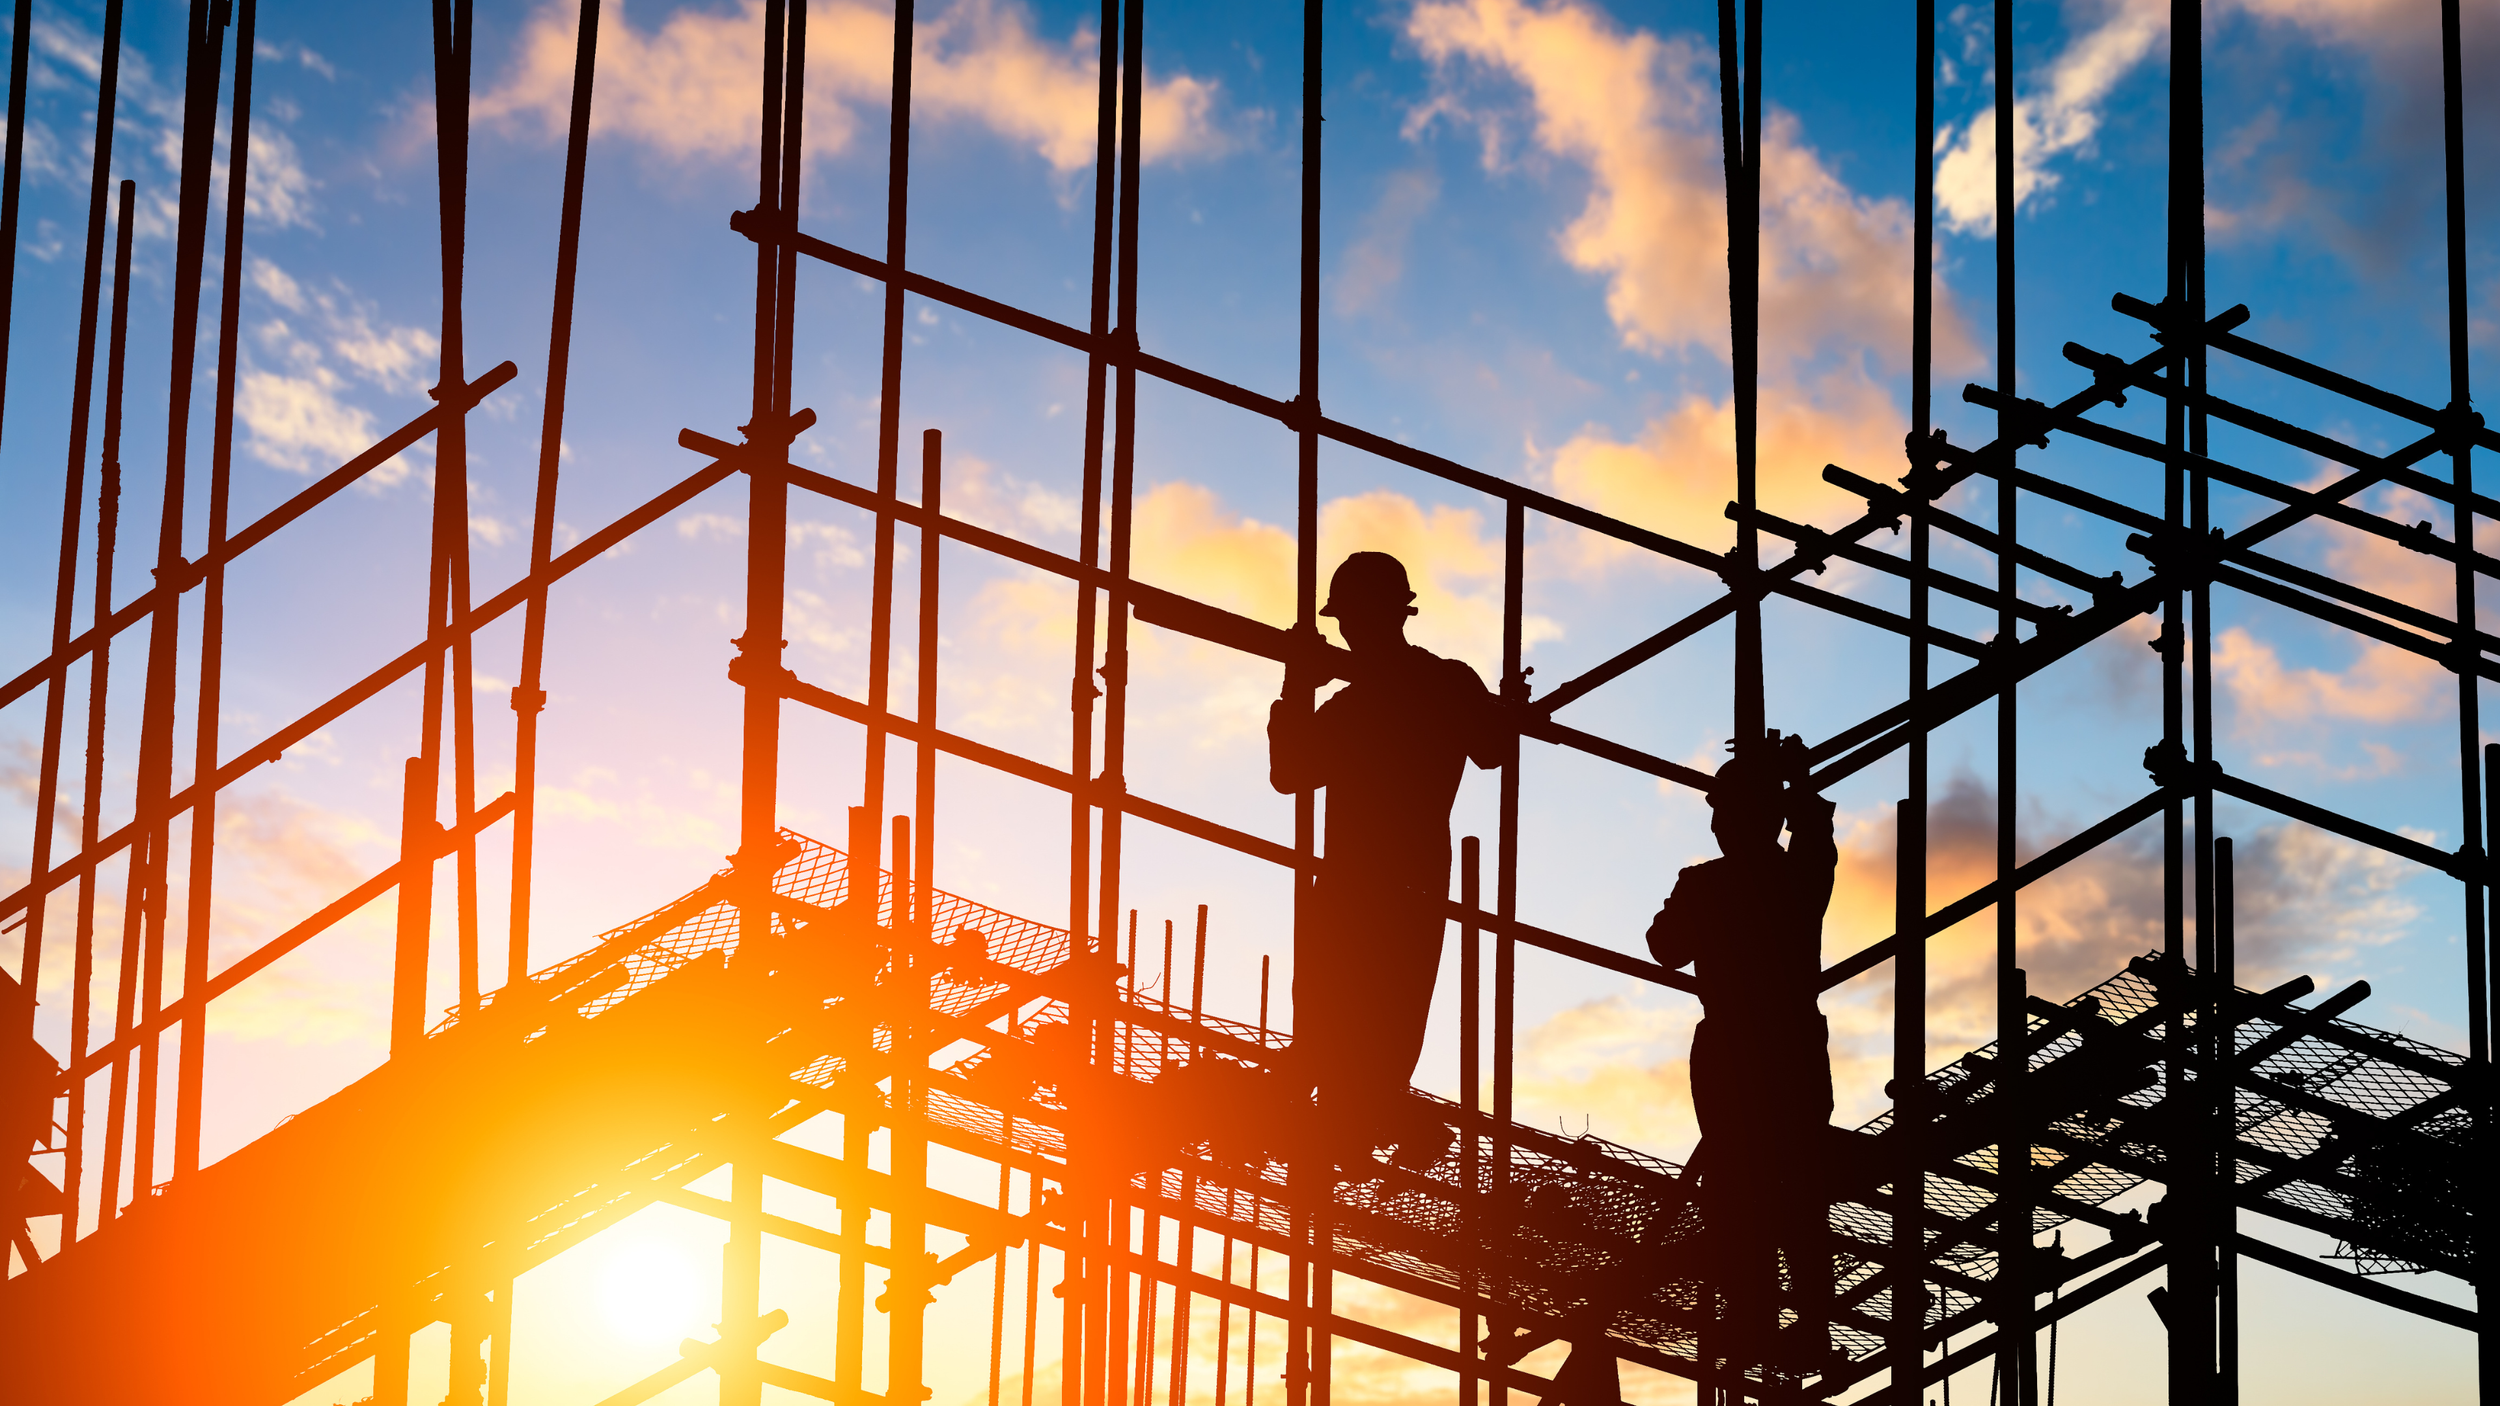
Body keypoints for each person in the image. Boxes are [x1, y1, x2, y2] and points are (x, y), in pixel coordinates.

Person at [1269, 552, 1511, 1167]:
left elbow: (1288, 770)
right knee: (1380, 1012)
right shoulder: (1443, 683)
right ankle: (1358, 1119)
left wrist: (1297, 684)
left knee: (1345, 1012)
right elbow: (1492, 748)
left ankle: (1347, 1125)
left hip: (1361, 881)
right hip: (1409, 880)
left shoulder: (1360, 704)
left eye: (1352, 620)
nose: (1350, 633)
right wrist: (1500, 705)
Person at [1645, 731, 1837, 1368]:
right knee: (1795, 1189)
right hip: (1788, 1044)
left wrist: (1794, 783)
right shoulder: (1796, 874)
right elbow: (1815, 836)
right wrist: (1798, 780)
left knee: (1746, 1189)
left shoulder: (1706, 886)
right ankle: (1802, 1326)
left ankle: (1760, 1320)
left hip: (1737, 1046)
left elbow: (1666, 945)